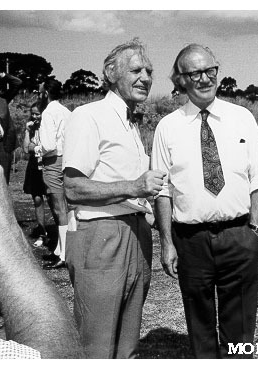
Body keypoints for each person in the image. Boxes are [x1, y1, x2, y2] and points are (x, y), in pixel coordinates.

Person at [151, 44, 258, 358]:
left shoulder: (241, 117)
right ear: (180, 80)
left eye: (210, 70)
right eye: (194, 73)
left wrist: (253, 230)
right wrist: (166, 242)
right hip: (190, 242)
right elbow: (162, 190)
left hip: (238, 236)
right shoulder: (167, 128)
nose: (204, 79)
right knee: (199, 327)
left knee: (240, 329)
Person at [63, 38, 165, 359]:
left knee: (127, 344)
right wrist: (134, 187)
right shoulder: (88, 116)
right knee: (97, 342)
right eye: (136, 70)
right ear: (110, 73)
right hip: (101, 235)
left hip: (137, 235)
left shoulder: (132, 123)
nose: (146, 77)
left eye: (149, 71)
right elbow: (73, 188)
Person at [0, 133, 85, 359]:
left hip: (49, 163)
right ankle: (57, 245)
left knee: (57, 207)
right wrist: (2, 225)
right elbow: (58, 356)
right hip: (41, 163)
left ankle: (61, 249)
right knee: (42, 201)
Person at [35, 79, 71, 269]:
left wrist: (36, 149)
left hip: (53, 161)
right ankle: (60, 249)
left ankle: (64, 255)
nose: (39, 96)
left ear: (46, 94)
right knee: (64, 208)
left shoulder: (49, 113)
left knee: (59, 209)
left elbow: (48, 145)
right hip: (67, 160)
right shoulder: (66, 112)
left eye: (40, 93)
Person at [22, 102, 50, 247]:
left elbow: (47, 147)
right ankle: (42, 232)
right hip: (34, 164)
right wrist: (27, 131)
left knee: (52, 199)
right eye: (32, 113)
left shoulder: (48, 127)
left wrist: (36, 147)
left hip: (47, 163)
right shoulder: (31, 129)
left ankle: (59, 231)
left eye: (37, 113)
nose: (34, 116)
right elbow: (26, 149)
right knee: (37, 199)